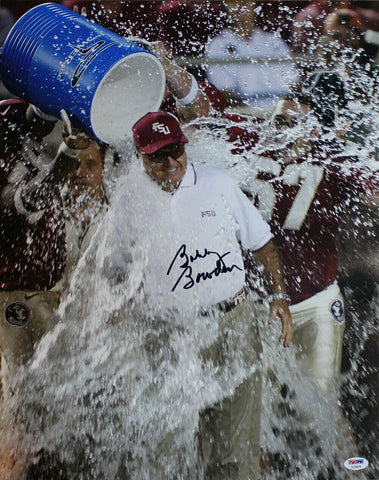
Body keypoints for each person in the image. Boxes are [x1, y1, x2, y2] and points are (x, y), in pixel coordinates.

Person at [121, 110, 292, 480]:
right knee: (163, 449)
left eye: (176, 150)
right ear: (140, 158)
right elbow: (117, 269)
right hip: (169, 333)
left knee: (235, 450)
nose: (170, 162)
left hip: (234, 324)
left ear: (185, 146)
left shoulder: (217, 182)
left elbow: (261, 241)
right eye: (157, 155)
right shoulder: (127, 201)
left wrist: (280, 297)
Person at [0, 99, 90, 479]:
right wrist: (69, 152)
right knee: (22, 406)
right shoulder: (8, 173)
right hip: (14, 302)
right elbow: (31, 200)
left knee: (59, 405)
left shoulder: (28, 155)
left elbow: (32, 118)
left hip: (51, 295)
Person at [205, 0, 298, 113]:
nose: (241, 7)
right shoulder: (217, 45)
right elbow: (225, 91)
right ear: (226, 8)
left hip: (281, 110)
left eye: (246, 2)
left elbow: (293, 81)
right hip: (244, 113)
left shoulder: (274, 41)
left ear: (254, 5)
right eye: (233, 3)